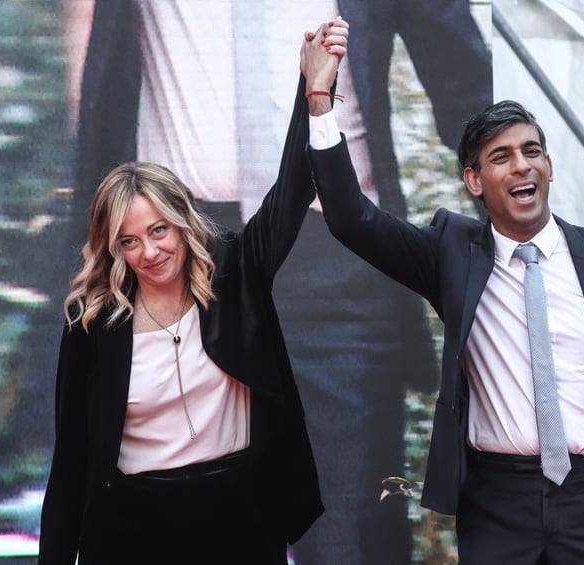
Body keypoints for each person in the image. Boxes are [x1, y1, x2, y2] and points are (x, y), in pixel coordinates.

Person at [67, 2, 492, 563]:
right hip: (180, 263)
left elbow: (463, 82)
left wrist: (517, 251)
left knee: (351, 533)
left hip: (337, 256)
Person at [308, 99, 584, 564]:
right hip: (498, 505)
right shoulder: (452, 255)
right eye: (501, 157)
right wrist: (321, 106)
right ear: (475, 181)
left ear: (549, 165)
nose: (522, 166)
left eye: (532, 151)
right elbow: (351, 219)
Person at [37, 19, 348, 565]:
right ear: (112, 250)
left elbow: (294, 187)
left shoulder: (235, 273)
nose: (150, 252)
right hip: (133, 530)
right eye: (128, 241)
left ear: (183, 223)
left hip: (239, 519)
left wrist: (314, 91)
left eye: (159, 231)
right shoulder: (92, 322)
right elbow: (72, 465)